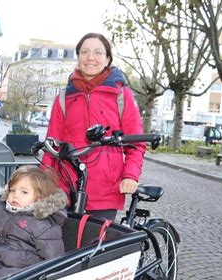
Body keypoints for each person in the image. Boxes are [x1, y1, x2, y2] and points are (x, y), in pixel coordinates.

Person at [42, 32, 146, 221]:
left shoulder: (121, 96)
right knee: (62, 246)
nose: (91, 57)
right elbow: (51, 145)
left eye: (98, 52)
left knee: (97, 247)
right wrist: (44, 181)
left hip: (104, 192)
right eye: (85, 52)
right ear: (78, 57)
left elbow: (136, 142)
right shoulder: (65, 98)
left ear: (107, 59)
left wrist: (130, 175)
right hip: (66, 188)